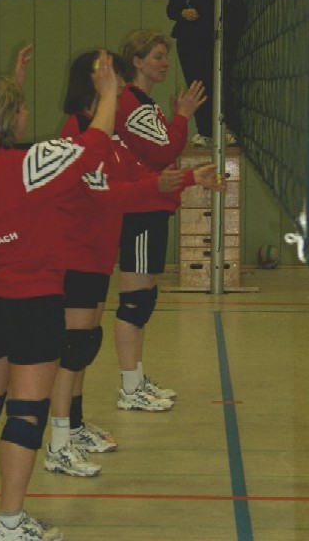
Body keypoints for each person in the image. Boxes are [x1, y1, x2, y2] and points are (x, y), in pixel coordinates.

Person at [0, 45, 118, 540]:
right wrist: (108, 93)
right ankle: (10, 521)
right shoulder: (34, 163)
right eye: (20, 107)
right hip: (34, 300)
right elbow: (95, 145)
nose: (26, 113)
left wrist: (10, 84)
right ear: (11, 117)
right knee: (26, 411)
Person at [44, 50, 225, 477]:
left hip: (97, 256)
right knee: (72, 350)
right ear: (93, 81)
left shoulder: (109, 138)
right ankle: (58, 444)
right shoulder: (77, 133)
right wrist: (162, 183)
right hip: (76, 255)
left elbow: (132, 181)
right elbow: (109, 194)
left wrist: (188, 177)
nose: (122, 84)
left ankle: (74, 426)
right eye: (112, 75)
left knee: (84, 346)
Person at [114, 29, 212, 411]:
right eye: (157, 56)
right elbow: (165, 149)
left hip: (152, 206)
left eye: (165, 56)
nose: (165, 63)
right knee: (134, 301)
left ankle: (136, 380)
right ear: (137, 61)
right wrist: (184, 115)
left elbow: (162, 150)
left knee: (144, 298)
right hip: (140, 209)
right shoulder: (132, 103)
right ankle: (129, 388)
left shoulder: (145, 105)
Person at [166, 0, 218, 147]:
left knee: (217, 84)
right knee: (197, 85)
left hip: (215, 42)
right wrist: (182, 13)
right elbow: (171, 10)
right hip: (190, 43)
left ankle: (222, 129)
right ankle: (205, 131)